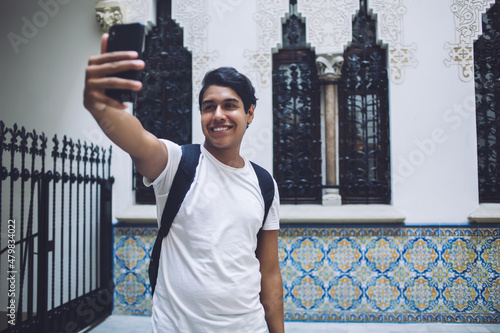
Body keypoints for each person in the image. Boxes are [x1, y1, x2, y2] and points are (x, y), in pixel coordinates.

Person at [83, 33, 284, 333]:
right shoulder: (177, 163)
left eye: (230, 105)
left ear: (249, 113)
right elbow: (138, 141)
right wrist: (101, 108)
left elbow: (269, 272)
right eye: (208, 107)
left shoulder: (264, 183)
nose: (218, 115)